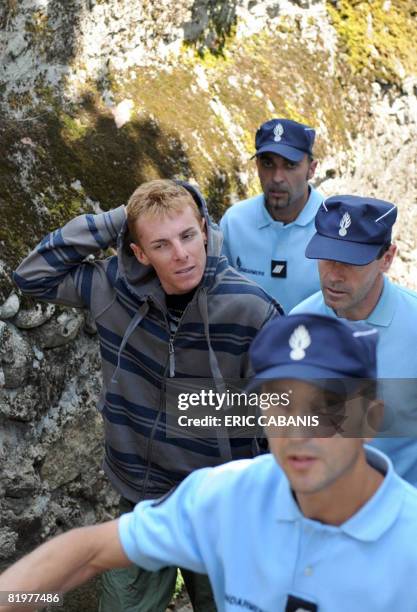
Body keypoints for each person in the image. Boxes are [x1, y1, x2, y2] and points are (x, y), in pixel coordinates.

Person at [2, 314, 417, 612]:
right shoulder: (227, 495)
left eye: (327, 406)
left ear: (371, 421)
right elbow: (89, 552)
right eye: (278, 403)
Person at [13, 179, 281, 612]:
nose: (181, 254)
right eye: (160, 244)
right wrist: (123, 217)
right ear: (139, 253)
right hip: (141, 497)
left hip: (221, 508)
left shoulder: (252, 309)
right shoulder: (111, 288)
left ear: (206, 232)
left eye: (189, 235)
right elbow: (31, 276)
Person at [291, 194, 417, 484]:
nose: (334, 275)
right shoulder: (297, 323)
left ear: (387, 258)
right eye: (326, 257)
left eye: (352, 262)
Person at [220, 118, 323, 312]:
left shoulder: (333, 228)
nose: (277, 177)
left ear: (311, 169)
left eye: (290, 165)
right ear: (257, 166)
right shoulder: (234, 223)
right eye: (268, 164)